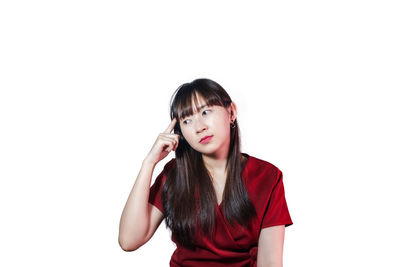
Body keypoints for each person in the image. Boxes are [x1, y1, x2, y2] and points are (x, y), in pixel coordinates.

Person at [119, 78, 293, 266]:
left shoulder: (267, 176)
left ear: (231, 111)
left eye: (206, 112)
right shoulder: (175, 174)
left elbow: (270, 263)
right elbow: (129, 240)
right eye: (187, 120)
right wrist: (149, 163)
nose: (199, 127)